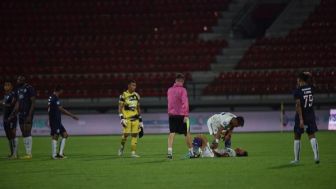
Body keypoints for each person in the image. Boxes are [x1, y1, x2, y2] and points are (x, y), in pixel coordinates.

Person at [291, 72, 319, 164]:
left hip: (301, 115)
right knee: (311, 135)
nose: (297, 81)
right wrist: (311, 75)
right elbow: (315, 85)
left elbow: (298, 105)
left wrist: (301, 119)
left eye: (298, 79)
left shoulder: (297, 91)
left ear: (300, 80)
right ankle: (316, 156)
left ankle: (297, 159)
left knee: (297, 135)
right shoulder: (311, 88)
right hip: (310, 114)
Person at [167, 73, 194, 159]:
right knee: (187, 133)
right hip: (182, 115)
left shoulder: (169, 90)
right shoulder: (183, 90)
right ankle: (191, 152)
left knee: (172, 133)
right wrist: (186, 115)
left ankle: (170, 152)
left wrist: (170, 112)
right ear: (182, 81)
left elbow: (170, 102)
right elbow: (185, 103)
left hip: (172, 115)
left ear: (175, 80)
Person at [48, 85, 78, 159]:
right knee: (55, 136)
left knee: (65, 135)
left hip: (56, 120)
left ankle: (60, 154)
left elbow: (50, 108)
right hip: (55, 120)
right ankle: (54, 155)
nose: (62, 92)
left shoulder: (51, 97)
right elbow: (61, 109)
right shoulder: (54, 98)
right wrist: (72, 115)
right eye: (62, 90)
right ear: (60, 90)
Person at [9, 76, 35, 159]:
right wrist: (13, 113)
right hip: (21, 114)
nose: (17, 81)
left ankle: (29, 153)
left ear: (23, 80)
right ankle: (27, 153)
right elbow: (17, 103)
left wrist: (30, 115)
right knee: (23, 132)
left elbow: (33, 102)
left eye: (19, 80)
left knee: (27, 132)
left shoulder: (29, 88)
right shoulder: (17, 89)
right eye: (17, 79)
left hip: (27, 113)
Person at [118, 80, 144, 158]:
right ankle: (121, 147)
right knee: (125, 135)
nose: (134, 87)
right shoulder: (123, 95)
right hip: (127, 119)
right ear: (128, 86)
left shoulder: (137, 95)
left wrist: (141, 120)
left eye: (135, 86)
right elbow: (120, 108)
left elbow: (138, 108)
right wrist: (122, 118)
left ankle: (133, 153)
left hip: (135, 118)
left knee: (134, 135)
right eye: (132, 85)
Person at [1, 80, 18, 159]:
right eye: (5, 85)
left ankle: (14, 154)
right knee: (8, 136)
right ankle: (12, 153)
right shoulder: (5, 95)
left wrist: (3, 103)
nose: (6, 86)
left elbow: (12, 105)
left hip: (11, 118)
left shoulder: (13, 94)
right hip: (5, 118)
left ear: (11, 87)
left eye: (8, 85)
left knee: (12, 134)